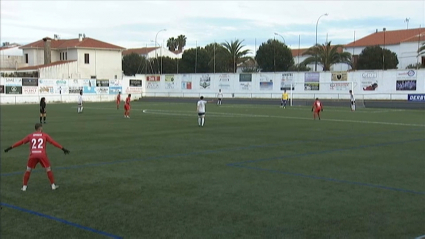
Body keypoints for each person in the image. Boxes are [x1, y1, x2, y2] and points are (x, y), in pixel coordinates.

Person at [3, 123, 70, 191]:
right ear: (40, 128)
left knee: (28, 170)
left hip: (33, 155)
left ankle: (24, 187)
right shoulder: (45, 135)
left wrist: (10, 147)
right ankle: (53, 186)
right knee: (48, 169)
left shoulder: (30, 136)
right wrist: (62, 148)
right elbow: (53, 142)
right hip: (42, 155)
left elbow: (21, 142)